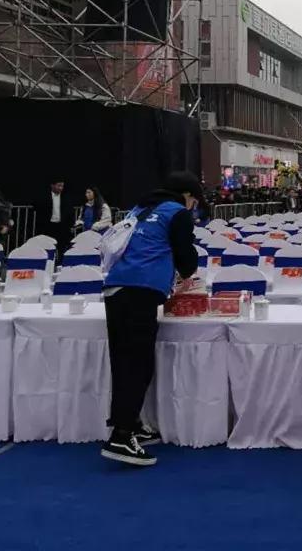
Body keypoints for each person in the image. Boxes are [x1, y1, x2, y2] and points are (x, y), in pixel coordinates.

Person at [100, 171, 201, 467]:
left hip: (116, 288)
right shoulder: (177, 213)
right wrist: (187, 269)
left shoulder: (140, 209)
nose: (194, 206)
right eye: (195, 201)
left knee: (123, 361)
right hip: (140, 290)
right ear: (187, 195)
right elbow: (187, 261)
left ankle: (130, 424)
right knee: (137, 364)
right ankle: (121, 435)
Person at [41, 179, 71, 258]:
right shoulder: (45, 197)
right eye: (59, 185)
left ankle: (60, 262)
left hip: (61, 225)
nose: (61, 188)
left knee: (62, 246)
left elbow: (69, 211)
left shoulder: (66, 197)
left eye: (62, 186)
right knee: (48, 245)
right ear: (52, 185)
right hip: (49, 225)